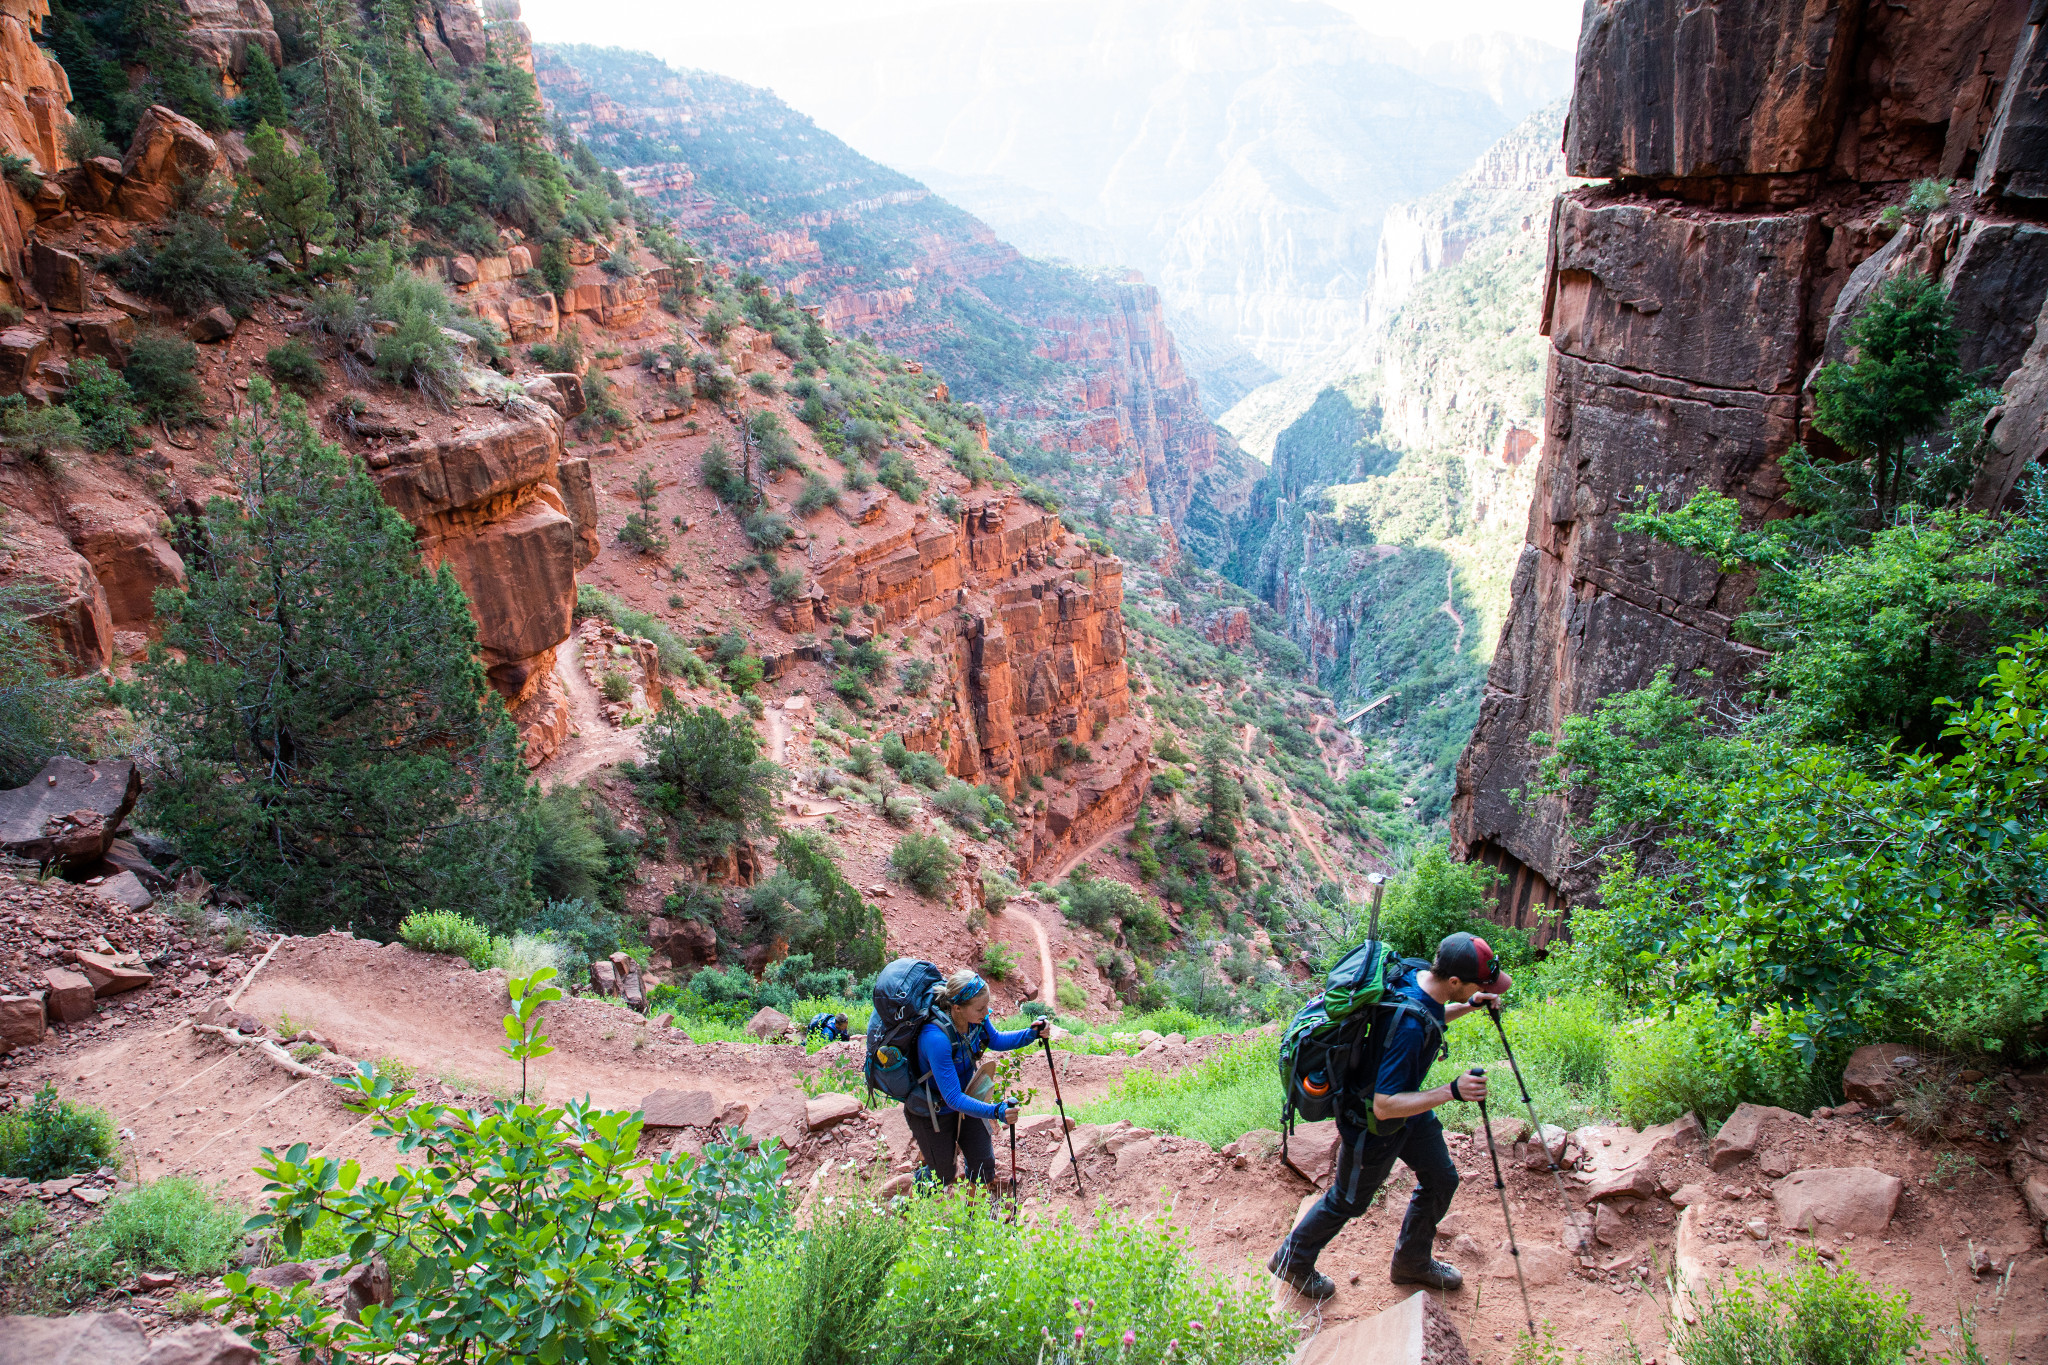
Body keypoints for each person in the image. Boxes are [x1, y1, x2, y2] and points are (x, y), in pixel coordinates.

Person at [1267, 931, 1513, 1300]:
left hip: (1407, 1109)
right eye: (1479, 983)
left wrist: (1472, 1003)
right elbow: (1385, 1103)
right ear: (1455, 980)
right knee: (1348, 1200)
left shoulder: (1415, 976)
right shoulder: (1409, 1029)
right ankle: (1292, 1260)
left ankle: (1411, 1263)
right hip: (1372, 1121)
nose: (1487, 987)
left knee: (1441, 1178)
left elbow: (1429, 1014)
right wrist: (1452, 1091)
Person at [904, 968, 1049, 1185]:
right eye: (981, 1008)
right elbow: (952, 1098)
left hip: (967, 1097)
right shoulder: (936, 1038)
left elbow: (996, 1040)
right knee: (941, 1174)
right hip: (934, 1109)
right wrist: (995, 1111)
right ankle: (908, 1202)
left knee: (984, 1165)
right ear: (957, 1008)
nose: (986, 1012)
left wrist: (1031, 1033)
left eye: (987, 1006)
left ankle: (974, 1215)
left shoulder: (977, 1019)